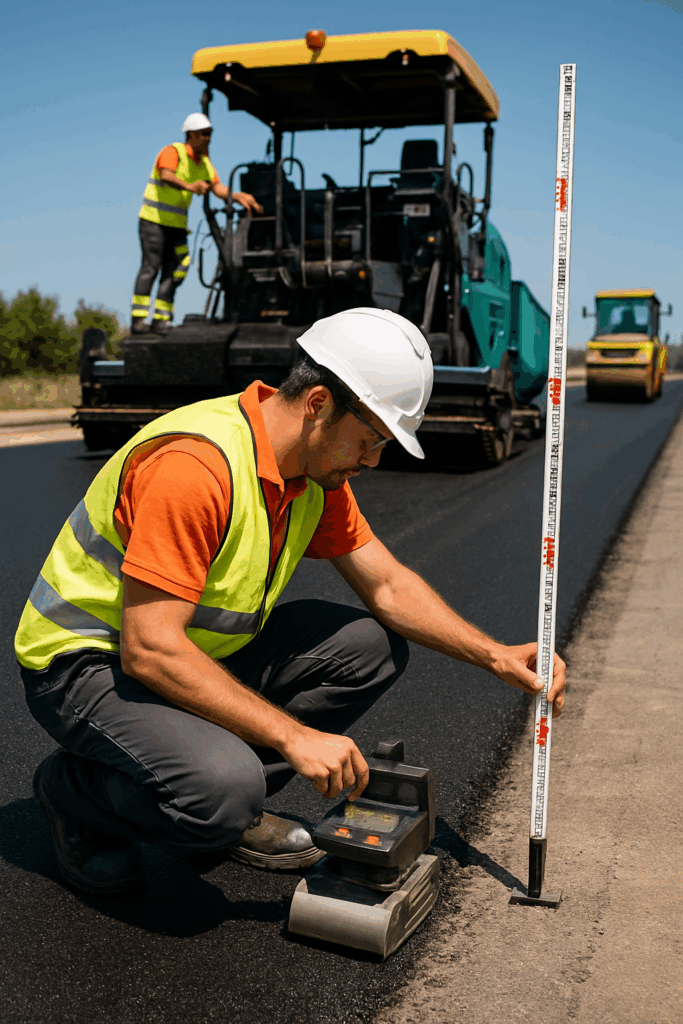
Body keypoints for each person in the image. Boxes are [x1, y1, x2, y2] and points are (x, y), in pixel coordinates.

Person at [15, 308, 566, 894]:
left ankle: (215, 785)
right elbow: (149, 650)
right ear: (319, 404)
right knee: (224, 793)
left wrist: (495, 656)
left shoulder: (313, 472)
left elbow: (386, 585)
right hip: (85, 666)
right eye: (372, 437)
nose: (375, 459)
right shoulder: (196, 469)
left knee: (368, 648)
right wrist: (293, 737)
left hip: (183, 652)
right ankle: (76, 793)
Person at [130, 112, 262, 336]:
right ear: (191, 135)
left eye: (211, 134)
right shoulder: (174, 152)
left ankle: (161, 319)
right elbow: (166, 175)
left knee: (180, 266)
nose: (209, 138)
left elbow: (216, 187)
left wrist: (237, 196)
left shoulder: (204, 164)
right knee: (151, 267)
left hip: (177, 227)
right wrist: (190, 186)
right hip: (154, 222)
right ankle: (139, 319)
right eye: (205, 134)